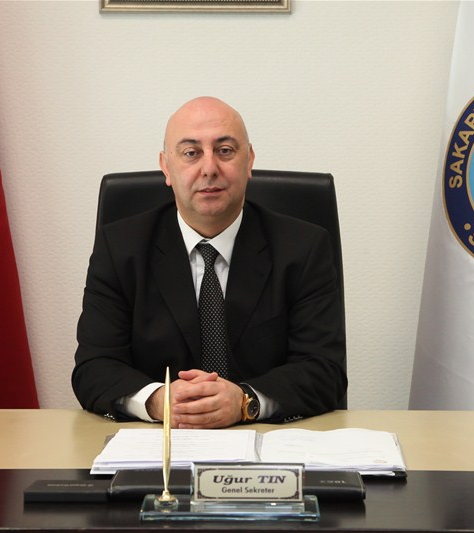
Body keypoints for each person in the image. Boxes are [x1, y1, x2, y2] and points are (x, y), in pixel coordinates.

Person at [72, 96, 346, 428]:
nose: (209, 168)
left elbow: (325, 371)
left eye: (225, 150)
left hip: (266, 444)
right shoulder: (120, 248)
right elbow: (94, 368)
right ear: (166, 167)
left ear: (249, 161)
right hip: (157, 444)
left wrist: (245, 401)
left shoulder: (303, 248)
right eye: (191, 153)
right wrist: (160, 401)